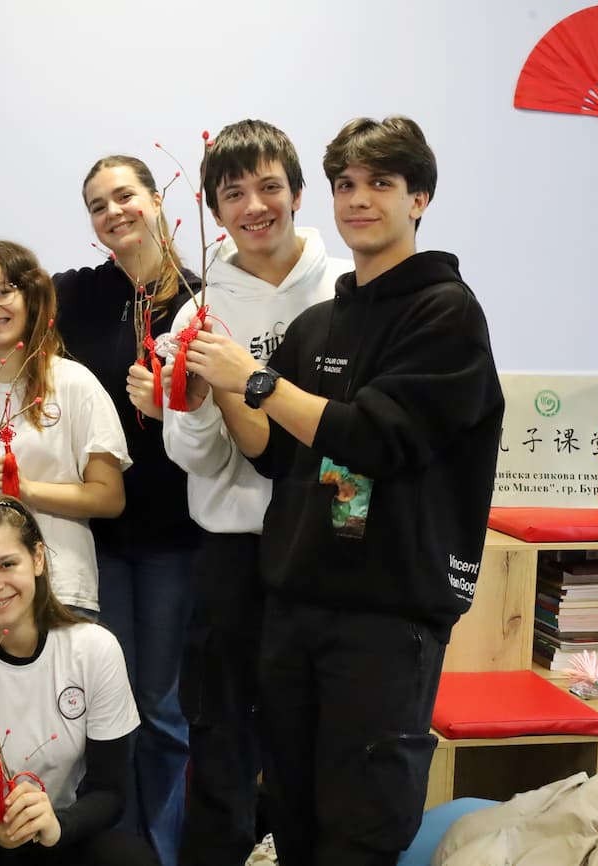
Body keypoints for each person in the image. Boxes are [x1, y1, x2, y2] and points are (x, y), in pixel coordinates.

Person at [183, 116, 504, 865]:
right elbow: (272, 456)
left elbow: (375, 438)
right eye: (347, 185)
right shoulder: (319, 322)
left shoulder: (447, 313)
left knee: (361, 824)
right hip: (296, 601)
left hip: (387, 613)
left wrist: (254, 378)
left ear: (419, 197)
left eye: (381, 184)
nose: (359, 200)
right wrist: (217, 377)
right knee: (290, 810)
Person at [159, 119, 350, 866]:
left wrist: (252, 384)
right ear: (214, 209)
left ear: (298, 193)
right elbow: (195, 458)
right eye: (233, 193)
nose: (254, 206)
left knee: (314, 730)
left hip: (329, 546)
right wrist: (203, 397)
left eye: (269, 186)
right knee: (219, 729)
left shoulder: (347, 290)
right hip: (233, 549)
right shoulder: (198, 315)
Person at [51, 155, 198, 866]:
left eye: (124, 196)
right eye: (97, 205)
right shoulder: (79, 297)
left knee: (165, 710)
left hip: (179, 537)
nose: (112, 212)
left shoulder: (204, 297)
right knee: (109, 708)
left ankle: (165, 851)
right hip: (97, 534)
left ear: (156, 199)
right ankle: (125, 849)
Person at [0, 494, 159, 865]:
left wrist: (58, 826)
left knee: (127, 856)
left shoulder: (94, 649)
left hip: (63, 832)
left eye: (7, 564)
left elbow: (110, 793)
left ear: (38, 558)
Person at [0, 240, 129, 617]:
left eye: (3, 292)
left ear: (31, 297)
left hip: (60, 590)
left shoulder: (73, 384)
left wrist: (26, 490)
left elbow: (109, 497)